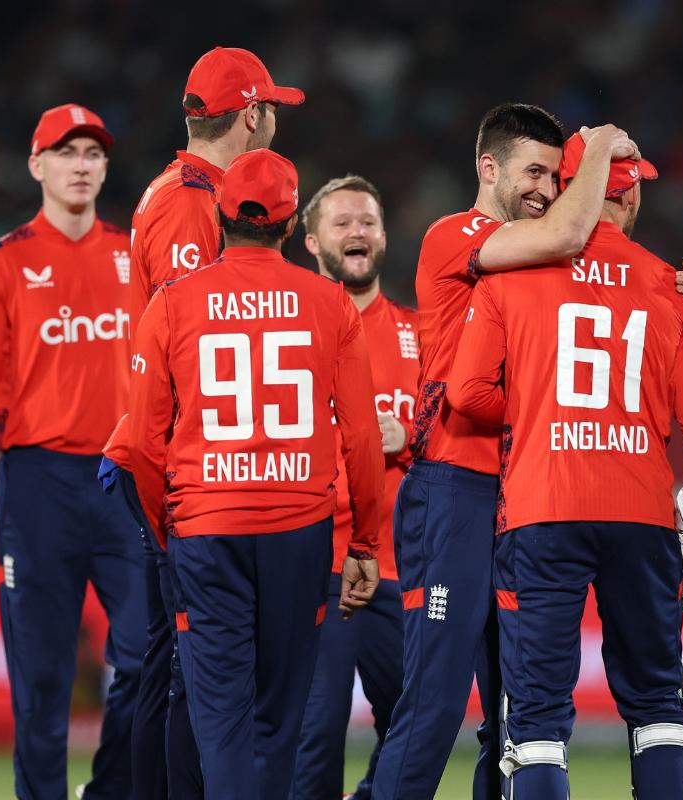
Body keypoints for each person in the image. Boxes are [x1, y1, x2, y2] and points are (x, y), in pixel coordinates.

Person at [371, 103, 683, 800]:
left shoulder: (543, 264)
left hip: (529, 495)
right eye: (535, 172)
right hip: (458, 487)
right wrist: (602, 150)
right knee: (436, 701)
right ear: (487, 166)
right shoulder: (459, 236)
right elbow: (569, 234)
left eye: (551, 175)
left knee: (514, 715)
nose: (543, 188)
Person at [124, 148, 383, 800]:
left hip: (206, 532)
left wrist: (167, 530)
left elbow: (141, 447)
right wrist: (364, 544)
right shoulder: (331, 305)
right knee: (277, 724)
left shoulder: (172, 304)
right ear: (293, 223)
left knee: (222, 725)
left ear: (218, 214)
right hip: (300, 534)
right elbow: (359, 439)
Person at [99, 45, 303, 800]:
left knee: (180, 660)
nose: (276, 118)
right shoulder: (193, 201)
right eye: (272, 106)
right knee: (184, 667)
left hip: (190, 464)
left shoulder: (183, 192)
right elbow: (197, 340)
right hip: (186, 467)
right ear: (250, 115)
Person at [0, 103, 147, 800]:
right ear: (37, 166)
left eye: (92, 153)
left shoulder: (133, 255)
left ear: (106, 167)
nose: (81, 164)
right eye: (66, 152)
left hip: (122, 479)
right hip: (38, 479)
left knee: (147, 654)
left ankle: (109, 789)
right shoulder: (7, 264)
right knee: (43, 674)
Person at [291, 175, 416, 800]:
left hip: (402, 563)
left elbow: (474, 426)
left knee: (414, 723)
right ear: (312, 242)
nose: (357, 231)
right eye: (342, 223)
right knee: (315, 729)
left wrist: (412, 432)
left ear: (384, 237)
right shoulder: (291, 335)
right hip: (320, 557)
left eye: (367, 220)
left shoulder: (422, 336)